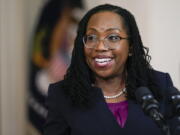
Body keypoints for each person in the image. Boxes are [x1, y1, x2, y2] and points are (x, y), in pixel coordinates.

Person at [44, 4, 178, 135]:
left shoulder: (159, 85)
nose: (101, 47)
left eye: (113, 37)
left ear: (131, 46)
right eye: (91, 37)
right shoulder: (62, 95)